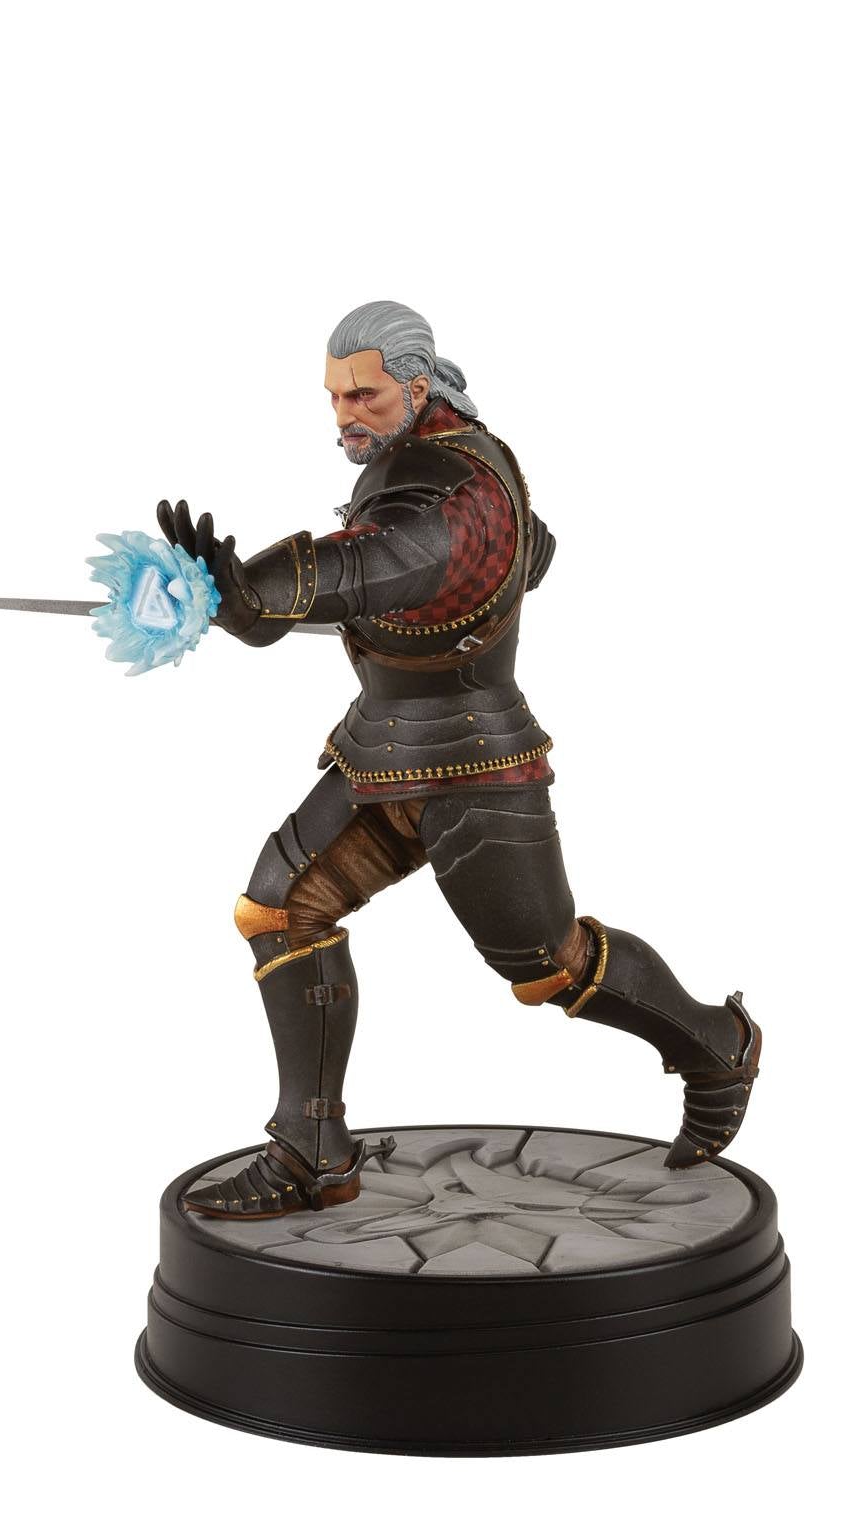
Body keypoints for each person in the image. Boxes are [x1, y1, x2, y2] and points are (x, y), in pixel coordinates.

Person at [161, 300, 760, 1221]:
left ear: (416, 384)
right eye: (333, 396)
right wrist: (259, 602)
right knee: (281, 907)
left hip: (475, 765)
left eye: (363, 395)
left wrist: (260, 592)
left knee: (549, 963)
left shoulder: (462, 490)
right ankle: (312, 1152)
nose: (344, 414)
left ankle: (717, 1044)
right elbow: (527, 553)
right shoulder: (437, 457)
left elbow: (387, 560)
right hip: (382, 748)